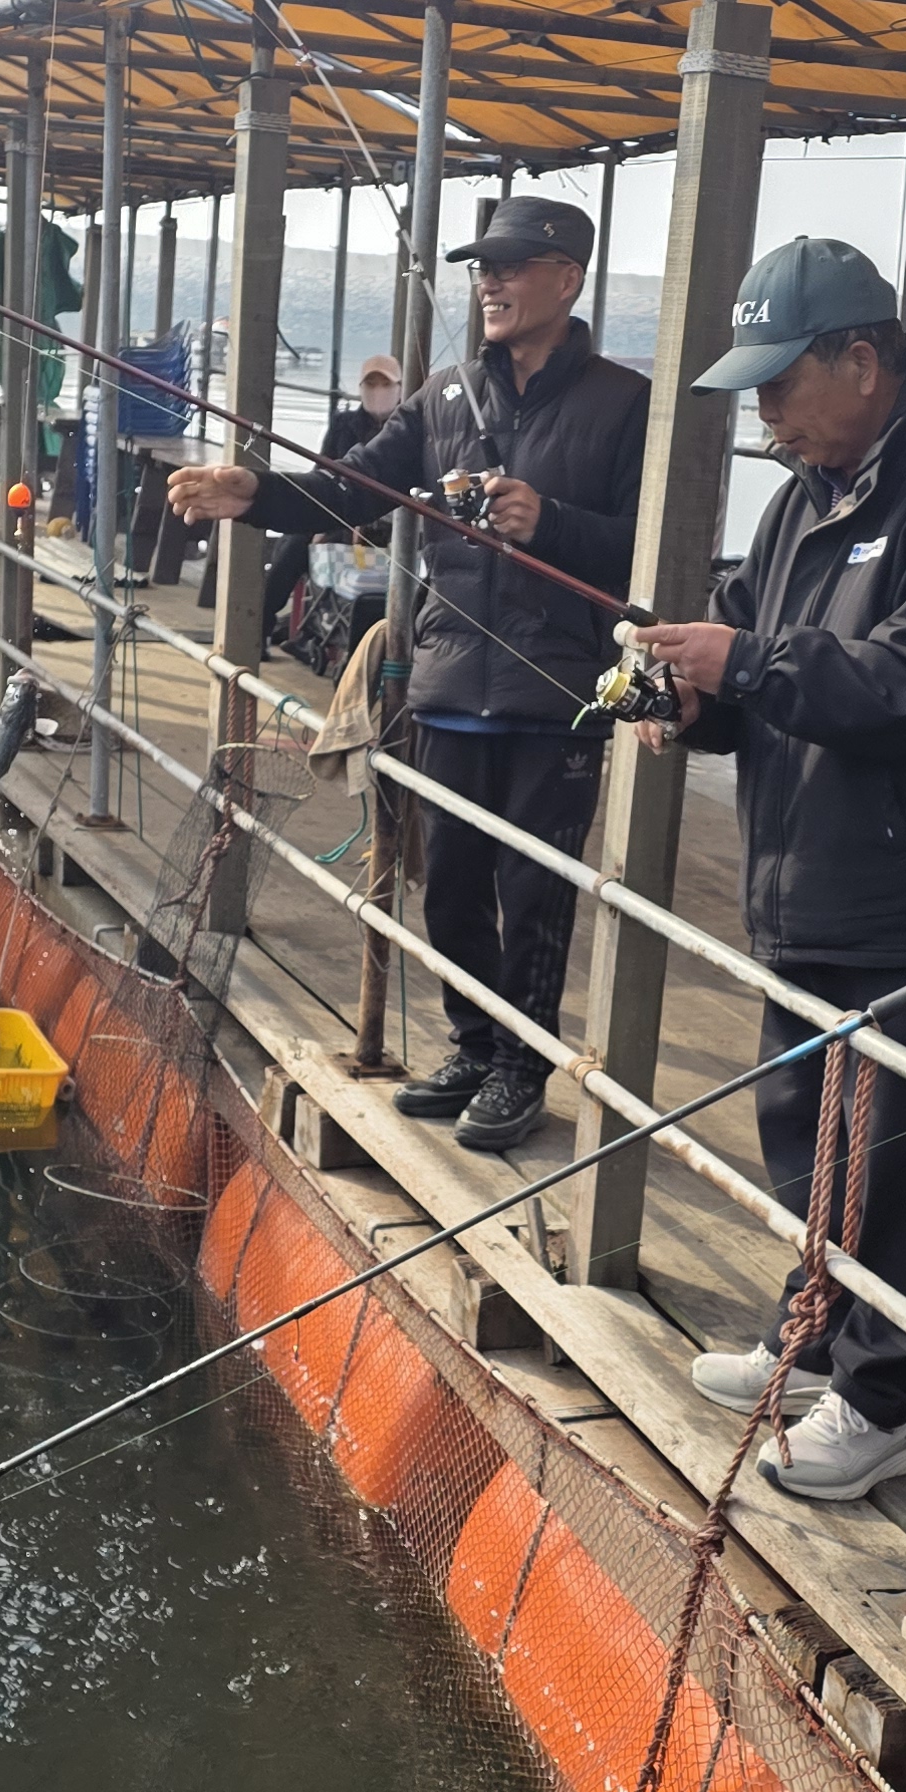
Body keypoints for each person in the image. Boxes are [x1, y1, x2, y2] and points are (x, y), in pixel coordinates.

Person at [620, 236, 906, 1502]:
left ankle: (881, 1401)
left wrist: (743, 665)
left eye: (777, 384)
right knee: (804, 1131)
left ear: (861, 361)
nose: (764, 414)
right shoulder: (805, 488)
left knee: (900, 1154)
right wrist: (693, 700)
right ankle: (811, 1330)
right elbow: (757, 646)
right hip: (802, 879)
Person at [168, 196, 650, 1152]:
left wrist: (549, 523)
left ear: (568, 278)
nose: (490, 282)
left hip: (554, 699)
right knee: (452, 889)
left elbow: (655, 549)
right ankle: (473, 1046)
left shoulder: (625, 404)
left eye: (511, 265)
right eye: (482, 267)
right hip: (447, 688)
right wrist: (254, 492)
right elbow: (352, 487)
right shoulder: (443, 398)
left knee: (536, 894)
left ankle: (522, 1068)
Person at [261, 354, 402, 661]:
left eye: (386, 383)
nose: (378, 390)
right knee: (293, 543)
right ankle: (262, 626)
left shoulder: (407, 427)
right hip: (336, 511)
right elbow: (322, 471)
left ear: (400, 387)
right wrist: (320, 523)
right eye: (371, 383)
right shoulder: (343, 424)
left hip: (387, 523)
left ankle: (314, 633)